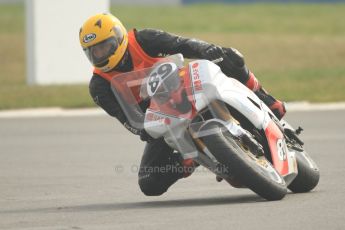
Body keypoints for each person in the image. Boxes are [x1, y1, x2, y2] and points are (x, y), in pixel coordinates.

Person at [79, 13, 286, 196]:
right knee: (149, 183)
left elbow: (182, 44)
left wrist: (206, 49)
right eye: (94, 51)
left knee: (229, 56)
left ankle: (267, 98)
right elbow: (125, 118)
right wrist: (143, 130)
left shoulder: (144, 39)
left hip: (186, 87)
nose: (101, 54)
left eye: (105, 46)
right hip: (161, 120)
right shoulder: (99, 86)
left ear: (118, 37)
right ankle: (190, 160)